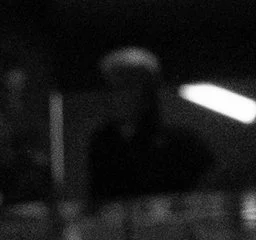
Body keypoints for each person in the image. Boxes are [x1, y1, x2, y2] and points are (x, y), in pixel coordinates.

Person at [80, 48, 213, 212]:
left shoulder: (181, 141)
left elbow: (203, 194)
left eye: (130, 85)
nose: (120, 95)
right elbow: (97, 201)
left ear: (149, 91)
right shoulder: (102, 142)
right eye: (114, 87)